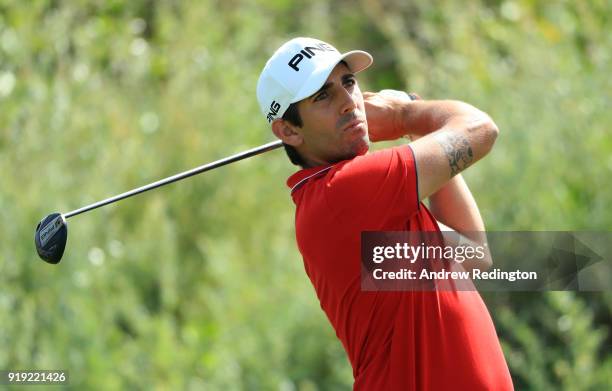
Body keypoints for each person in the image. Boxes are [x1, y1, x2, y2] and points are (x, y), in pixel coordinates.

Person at [257, 37, 514, 390]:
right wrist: (404, 113)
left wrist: (411, 125)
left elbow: (472, 253)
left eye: (348, 83)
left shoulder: (371, 201)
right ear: (288, 130)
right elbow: (481, 130)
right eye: (322, 96)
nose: (349, 103)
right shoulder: (342, 193)